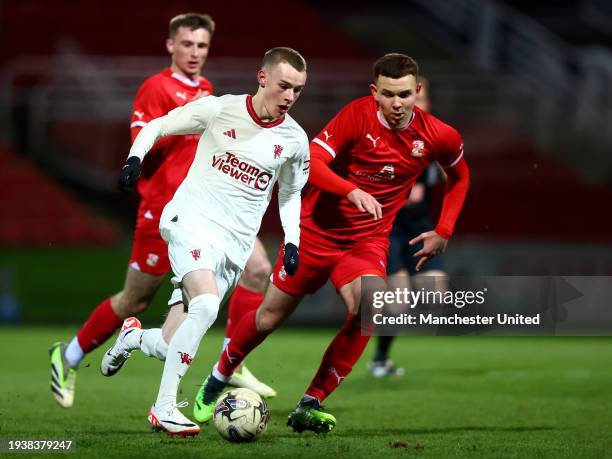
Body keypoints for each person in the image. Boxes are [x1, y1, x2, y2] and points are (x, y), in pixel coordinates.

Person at [192, 53, 471, 434]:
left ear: (417, 91)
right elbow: (313, 163)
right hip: (315, 233)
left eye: (405, 94)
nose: (397, 103)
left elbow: (460, 175)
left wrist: (444, 230)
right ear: (374, 92)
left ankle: (311, 402)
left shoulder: (437, 134)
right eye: (388, 94)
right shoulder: (355, 117)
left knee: (372, 309)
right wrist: (350, 189)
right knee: (269, 317)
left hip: (365, 243)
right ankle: (219, 375)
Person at [48, 13, 274, 410]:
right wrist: (186, 121)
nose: (194, 53)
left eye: (201, 46)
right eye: (187, 44)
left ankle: (230, 361)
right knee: (133, 302)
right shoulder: (156, 87)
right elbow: (144, 141)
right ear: (170, 45)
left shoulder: (206, 89)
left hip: (208, 211)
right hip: (163, 213)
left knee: (256, 270)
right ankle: (67, 358)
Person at [109, 47, 309, 436]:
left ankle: (134, 336)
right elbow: (159, 125)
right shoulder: (219, 109)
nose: (289, 97)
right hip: (190, 221)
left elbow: (289, 194)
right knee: (206, 304)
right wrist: (134, 158)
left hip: (233, 247)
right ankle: (164, 408)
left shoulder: (294, 140)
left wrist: (292, 242)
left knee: (172, 344)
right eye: (284, 86)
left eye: (298, 90)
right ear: (263, 78)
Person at [368, 76, 449, 378]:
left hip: (419, 227)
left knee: (435, 295)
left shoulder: (433, 137)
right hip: (389, 227)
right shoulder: (385, 134)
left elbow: (448, 172)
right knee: (399, 301)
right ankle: (379, 359)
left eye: (422, 97)